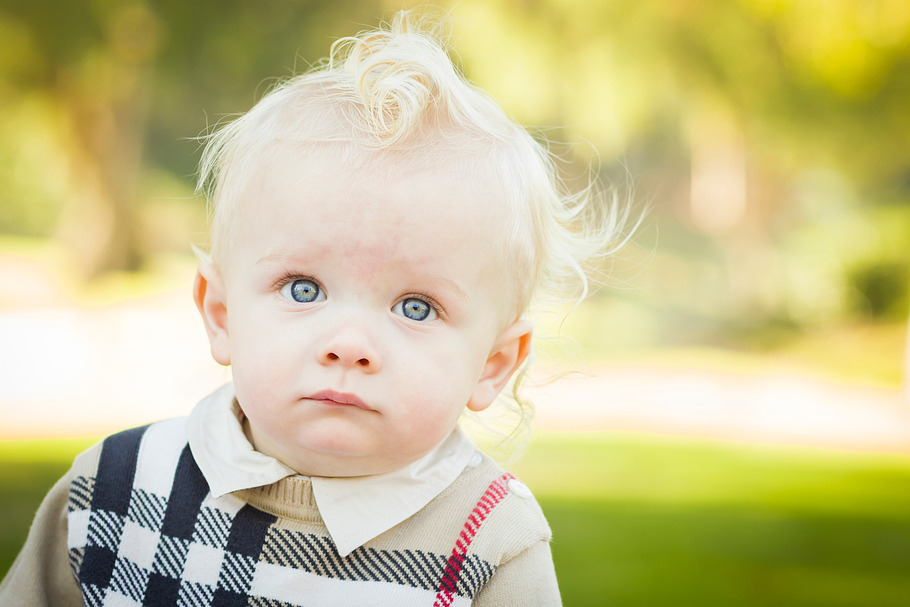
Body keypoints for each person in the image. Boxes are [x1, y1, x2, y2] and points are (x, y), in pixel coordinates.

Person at [0, 10, 630, 606]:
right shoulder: (114, 490)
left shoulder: (489, 541)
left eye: (415, 307)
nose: (350, 343)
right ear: (220, 315)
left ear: (493, 363)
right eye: (303, 289)